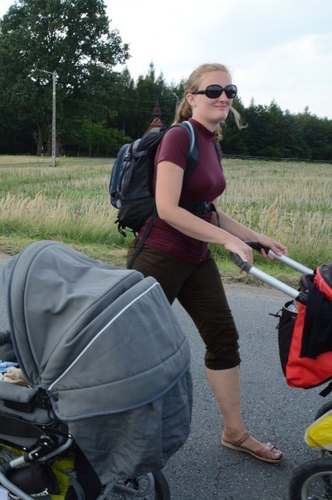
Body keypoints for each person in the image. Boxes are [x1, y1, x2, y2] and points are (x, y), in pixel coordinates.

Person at [128, 63, 286, 463]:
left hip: (195, 257)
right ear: (192, 97)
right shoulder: (179, 138)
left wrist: (253, 236)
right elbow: (167, 208)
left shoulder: (210, 142)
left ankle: (235, 432)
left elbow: (207, 211)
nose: (223, 96)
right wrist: (228, 240)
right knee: (121, 341)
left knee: (222, 339)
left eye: (229, 90)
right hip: (160, 256)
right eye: (213, 89)